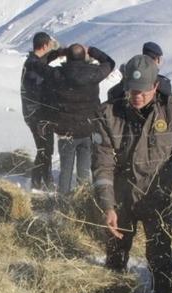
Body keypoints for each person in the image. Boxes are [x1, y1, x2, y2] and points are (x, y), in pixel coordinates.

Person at [93, 55, 172, 293]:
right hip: (122, 199)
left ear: (155, 86)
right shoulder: (108, 114)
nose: (137, 96)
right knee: (116, 252)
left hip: (159, 197)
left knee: (160, 254)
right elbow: (102, 164)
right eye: (131, 90)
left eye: (143, 91)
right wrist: (107, 205)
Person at [47, 44, 115, 194]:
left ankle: (63, 202)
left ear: (67, 56)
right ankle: (81, 200)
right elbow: (110, 63)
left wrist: (58, 52)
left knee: (65, 170)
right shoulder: (94, 73)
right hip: (88, 128)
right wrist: (93, 51)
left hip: (66, 130)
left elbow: (39, 65)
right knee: (84, 171)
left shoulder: (57, 74)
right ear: (84, 56)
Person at [20, 32, 63, 190]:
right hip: (36, 115)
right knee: (45, 148)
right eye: (50, 45)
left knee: (45, 148)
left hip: (38, 114)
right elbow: (38, 91)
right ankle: (43, 180)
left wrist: (59, 51)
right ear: (45, 46)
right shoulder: (34, 68)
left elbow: (46, 59)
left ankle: (39, 180)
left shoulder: (34, 60)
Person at [107, 41, 172, 102]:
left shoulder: (128, 80)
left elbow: (112, 95)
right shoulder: (162, 83)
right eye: (159, 60)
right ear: (156, 60)